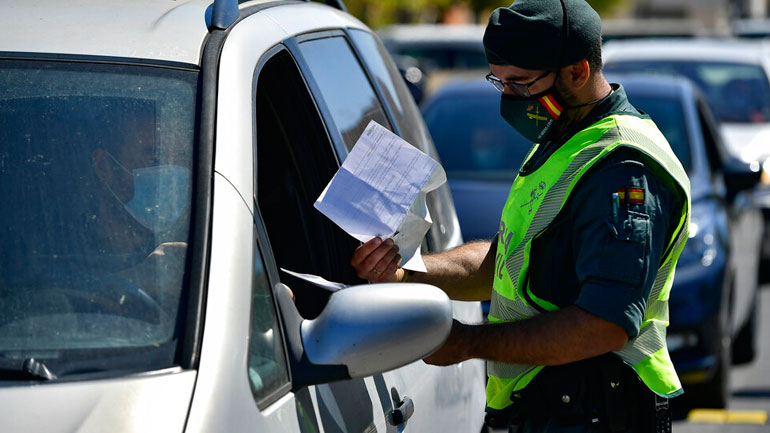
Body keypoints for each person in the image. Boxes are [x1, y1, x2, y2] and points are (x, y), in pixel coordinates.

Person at [350, 1, 691, 432]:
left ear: (578, 72)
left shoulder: (622, 167)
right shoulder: (564, 138)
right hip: (552, 408)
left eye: (521, 84)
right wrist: (406, 274)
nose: (509, 98)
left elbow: (605, 325)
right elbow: (507, 262)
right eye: (500, 82)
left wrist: (466, 343)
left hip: (596, 409)